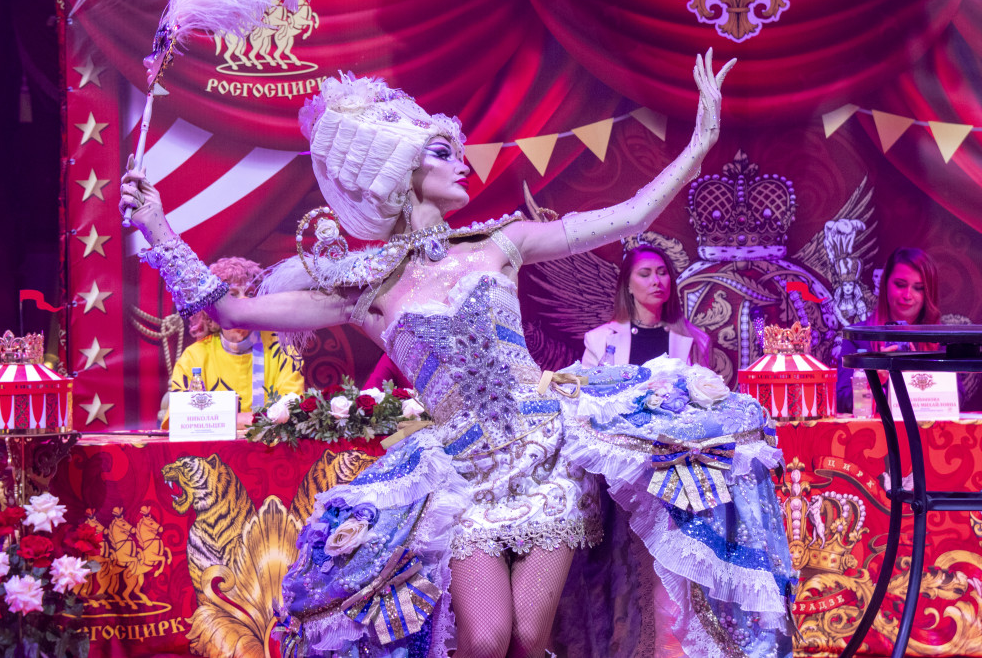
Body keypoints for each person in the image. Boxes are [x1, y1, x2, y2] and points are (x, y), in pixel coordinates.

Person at [120, 52, 795, 658]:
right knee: (484, 638)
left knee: (529, 638)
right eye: (444, 151)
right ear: (400, 170)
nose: (462, 162)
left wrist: (699, 146)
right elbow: (230, 309)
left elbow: (630, 215)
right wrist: (156, 226)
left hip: (548, 454)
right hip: (463, 474)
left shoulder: (500, 245)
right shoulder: (368, 288)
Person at [160, 256, 305, 426]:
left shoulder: (283, 351)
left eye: (250, 294)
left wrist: (215, 419)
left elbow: (294, 414)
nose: (244, 301)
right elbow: (178, 420)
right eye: (232, 295)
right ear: (211, 307)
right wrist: (248, 419)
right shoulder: (194, 357)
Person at [835, 247, 941, 412]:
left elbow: (958, 398)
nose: (907, 295)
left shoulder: (940, 339)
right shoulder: (858, 337)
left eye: (918, 288)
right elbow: (842, 401)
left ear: (929, 292)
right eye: (900, 285)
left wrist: (917, 375)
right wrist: (874, 382)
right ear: (885, 285)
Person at [582, 244, 711, 368]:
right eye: (645, 274)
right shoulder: (598, 340)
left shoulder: (697, 340)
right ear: (628, 285)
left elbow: (705, 383)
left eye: (662, 273)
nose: (656, 281)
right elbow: (584, 383)